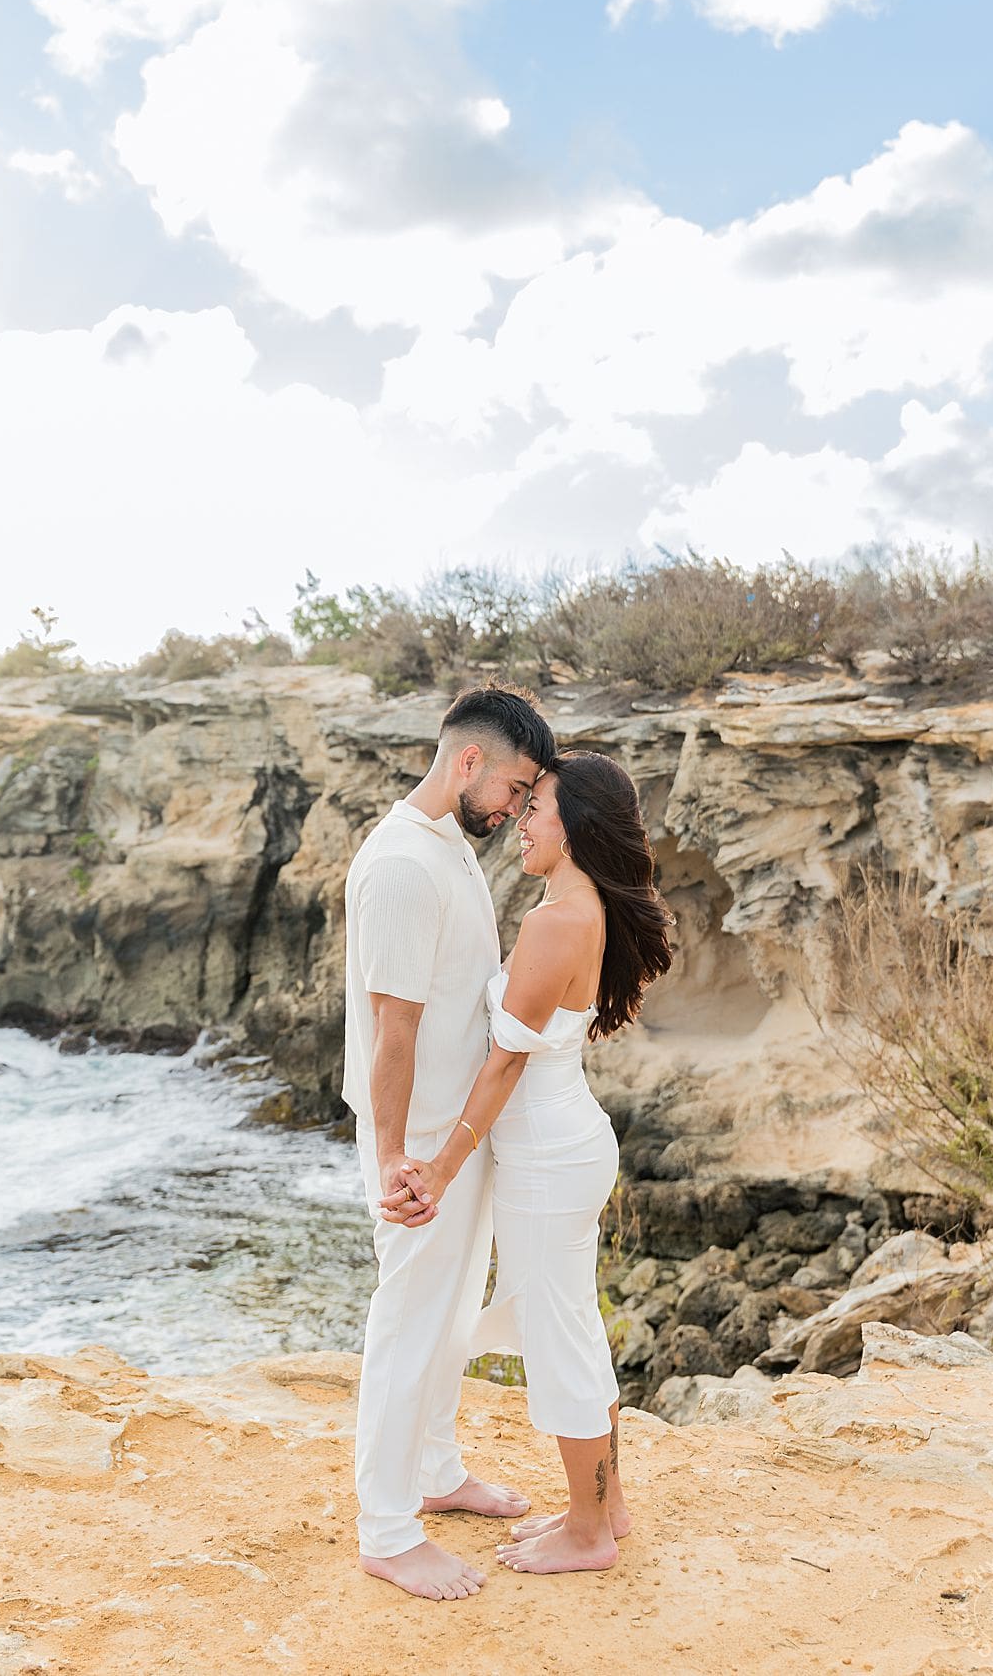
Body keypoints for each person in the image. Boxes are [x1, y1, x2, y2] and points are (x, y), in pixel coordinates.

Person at [387, 749, 672, 1576]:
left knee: (558, 1338)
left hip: (546, 1155)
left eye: (536, 805)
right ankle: (606, 1507)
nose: (521, 818)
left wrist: (441, 1166)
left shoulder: (557, 920)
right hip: (562, 1143)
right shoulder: (576, 906)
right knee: (572, 1324)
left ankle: (588, 1532)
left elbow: (506, 1060)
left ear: (574, 824)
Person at [344, 683, 557, 1602]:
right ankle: (388, 1530)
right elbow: (392, 1028)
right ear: (469, 761)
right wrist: (397, 1158)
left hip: (454, 1135)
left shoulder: (448, 847)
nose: (515, 810)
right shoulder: (402, 863)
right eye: (513, 788)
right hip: (420, 1138)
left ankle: (433, 1470)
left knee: (451, 1312)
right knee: (409, 1320)